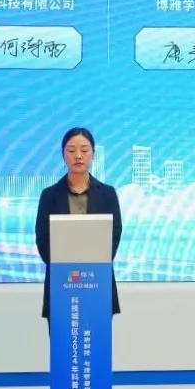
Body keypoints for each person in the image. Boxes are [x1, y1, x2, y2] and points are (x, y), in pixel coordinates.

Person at [35, 127, 122, 331]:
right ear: (63, 154)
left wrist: (91, 267)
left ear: (93, 153)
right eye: (71, 150)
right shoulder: (49, 195)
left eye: (84, 150)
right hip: (61, 284)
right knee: (64, 344)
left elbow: (114, 235)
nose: (78, 156)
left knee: (96, 344)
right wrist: (66, 268)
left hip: (97, 283)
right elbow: (42, 238)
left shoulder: (108, 194)